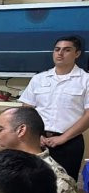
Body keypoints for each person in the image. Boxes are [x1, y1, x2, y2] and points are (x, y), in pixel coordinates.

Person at [19, 35, 89, 180]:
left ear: (77, 54)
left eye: (67, 50)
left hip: (69, 143)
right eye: (57, 49)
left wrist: (63, 138)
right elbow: (26, 111)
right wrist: (36, 135)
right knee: (31, 184)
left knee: (65, 186)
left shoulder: (85, 80)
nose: (60, 53)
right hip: (37, 140)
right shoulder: (39, 79)